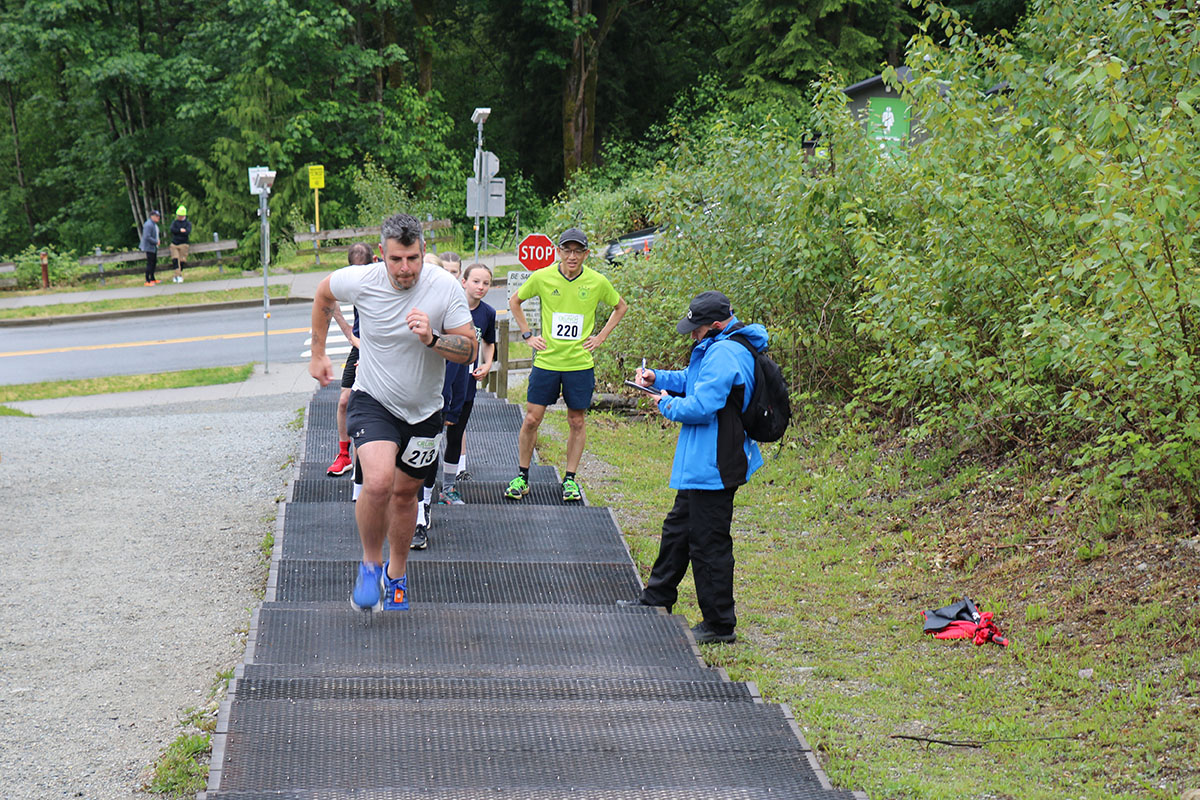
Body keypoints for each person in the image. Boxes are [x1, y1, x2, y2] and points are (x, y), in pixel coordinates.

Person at [309, 213, 476, 612]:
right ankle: (370, 564)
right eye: (397, 259)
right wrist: (317, 354)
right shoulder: (362, 280)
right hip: (374, 400)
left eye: (414, 258)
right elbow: (322, 295)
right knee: (379, 482)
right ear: (382, 254)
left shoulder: (444, 288)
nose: (405, 269)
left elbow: (469, 348)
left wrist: (433, 338)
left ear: (423, 252)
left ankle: (396, 573)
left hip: (424, 411)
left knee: (405, 496)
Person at [621, 290, 768, 645]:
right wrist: (659, 379)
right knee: (678, 530)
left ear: (715, 325)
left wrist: (665, 405)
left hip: (716, 463)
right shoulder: (718, 345)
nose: (692, 335)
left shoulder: (726, 352)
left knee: (709, 544)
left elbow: (702, 406)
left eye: (696, 329)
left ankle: (719, 624)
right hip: (702, 461)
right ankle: (657, 598)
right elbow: (693, 380)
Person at [506, 228, 628, 502]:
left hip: (579, 363)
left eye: (578, 251)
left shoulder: (596, 281)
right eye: (567, 250)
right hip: (548, 360)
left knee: (576, 420)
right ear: (558, 252)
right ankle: (522, 476)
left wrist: (601, 337)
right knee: (531, 419)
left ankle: (570, 479)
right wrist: (527, 335)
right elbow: (515, 301)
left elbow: (620, 306)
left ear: (586, 254)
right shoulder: (542, 277)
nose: (572, 256)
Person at [440, 262, 496, 497]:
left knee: (455, 436)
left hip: (467, 384)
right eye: (476, 281)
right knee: (429, 437)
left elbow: (489, 342)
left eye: (486, 283)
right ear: (463, 282)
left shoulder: (488, 313)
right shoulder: (447, 307)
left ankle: (447, 488)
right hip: (440, 382)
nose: (480, 287)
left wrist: (487, 364)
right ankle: (420, 490)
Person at [326, 242, 373, 477]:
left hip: (383, 347)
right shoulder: (347, 279)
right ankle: (344, 455)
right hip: (360, 344)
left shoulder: (384, 277)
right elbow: (326, 297)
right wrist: (349, 333)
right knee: (344, 401)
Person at [169, 206, 192, 283]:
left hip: (184, 244)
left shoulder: (188, 223)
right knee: (175, 259)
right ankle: (178, 276)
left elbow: (187, 232)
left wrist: (182, 231)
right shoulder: (175, 223)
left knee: (182, 261)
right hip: (175, 244)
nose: (178, 217)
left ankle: (177, 275)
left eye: (180, 215)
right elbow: (172, 230)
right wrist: (180, 230)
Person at [140, 210, 161, 285]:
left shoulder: (153, 224)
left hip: (153, 247)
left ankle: (152, 278)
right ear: (152, 216)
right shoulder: (148, 224)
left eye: (158, 216)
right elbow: (147, 236)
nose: (158, 217)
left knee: (154, 262)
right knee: (150, 263)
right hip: (149, 247)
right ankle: (147, 280)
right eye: (156, 216)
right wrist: (156, 241)